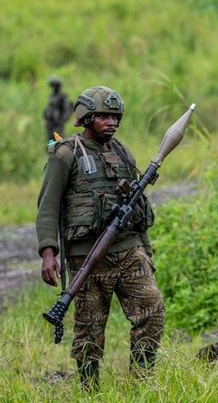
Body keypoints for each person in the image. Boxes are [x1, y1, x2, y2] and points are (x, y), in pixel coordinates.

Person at [36, 86, 165, 388]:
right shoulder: (66, 154)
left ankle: (141, 382)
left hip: (129, 250)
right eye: (104, 116)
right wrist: (48, 252)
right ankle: (89, 390)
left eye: (115, 117)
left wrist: (146, 251)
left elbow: (137, 205)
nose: (112, 122)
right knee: (90, 330)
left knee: (152, 310)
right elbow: (48, 206)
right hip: (87, 257)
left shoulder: (121, 151)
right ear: (86, 118)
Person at [43, 77, 72, 142]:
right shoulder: (52, 96)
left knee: (59, 142)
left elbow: (66, 110)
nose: (53, 88)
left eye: (54, 86)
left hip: (57, 124)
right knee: (50, 143)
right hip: (50, 124)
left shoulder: (62, 96)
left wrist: (61, 121)